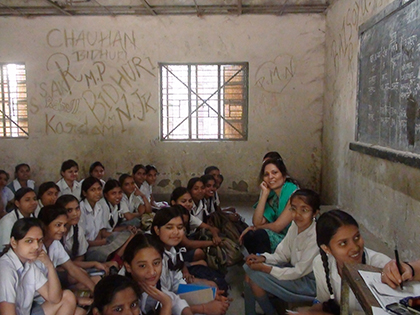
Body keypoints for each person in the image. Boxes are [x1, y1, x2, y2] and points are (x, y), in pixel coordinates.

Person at [296, 210, 391, 315]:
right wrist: (310, 312)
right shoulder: (321, 264)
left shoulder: (382, 266)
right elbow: (324, 303)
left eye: (357, 237)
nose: (355, 248)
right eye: (343, 243)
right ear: (326, 249)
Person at [243, 189, 320, 315]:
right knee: (249, 269)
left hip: (308, 284)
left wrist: (265, 269)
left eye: (304, 210)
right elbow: (282, 254)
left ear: (315, 213)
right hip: (294, 272)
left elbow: (298, 271)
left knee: (254, 275)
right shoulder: (295, 226)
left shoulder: (316, 236)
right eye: (294, 209)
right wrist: (263, 258)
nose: (297, 215)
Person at [0, 218, 77, 315]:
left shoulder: (29, 264)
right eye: (29, 241)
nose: (36, 246)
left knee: (68, 297)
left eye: (40, 241)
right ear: (14, 242)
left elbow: (54, 298)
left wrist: (49, 265)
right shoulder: (6, 268)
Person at [239, 157, 298, 254]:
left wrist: (255, 228)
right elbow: (257, 222)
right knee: (249, 235)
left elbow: (277, 226)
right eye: (266, 174)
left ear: (284, 175)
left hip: (295, 240)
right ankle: (259, 261)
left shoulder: (293, 194)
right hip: (282, 236)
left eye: (275, 173)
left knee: (260, 234)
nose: (270, 177)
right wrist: (264, 194)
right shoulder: (273, 197)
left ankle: (264, 263)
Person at [122, 233, 191, 315]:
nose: (152, 272)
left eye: (156, 263)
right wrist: (166, 305)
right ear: (128, 267)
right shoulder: (121, 295)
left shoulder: (148, 283)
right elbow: (167, 300)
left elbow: (174, 300)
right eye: (143, 266)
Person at [37, 205, 97, 292]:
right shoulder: (35, 249)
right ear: (44, 226)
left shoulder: (55, 243)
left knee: (92, 280)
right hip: (40, 297)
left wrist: (94, 289)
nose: (63, 230)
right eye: (58, 225)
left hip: (51, 290)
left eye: (64, 225)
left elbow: (72, 268)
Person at [55, 195, 117, 274]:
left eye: (77, 209)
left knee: (111, 265)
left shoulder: (78, 230)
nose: (75, 214)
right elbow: (59, 264)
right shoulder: (55, 233)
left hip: (72, 266)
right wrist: (93, 264)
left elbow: (80, 257)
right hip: (58, 270)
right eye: (69, 210)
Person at [79, 177, 135, 263]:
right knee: (107, 250)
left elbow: (100, 232)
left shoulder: (98, 207)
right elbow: (82, 242)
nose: (97, 193)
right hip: (87, 250)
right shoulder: (80, 210)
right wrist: (103, 242)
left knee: (129, 235)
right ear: (84, 193)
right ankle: (115, 259)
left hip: (98, 243)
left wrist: (104, 241)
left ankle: (114, 257)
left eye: (99, 189)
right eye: (92, 190)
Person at [170, 187, 221, 262]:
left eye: (190, 201)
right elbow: (187, 243)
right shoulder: (171, 217)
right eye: (183, 201)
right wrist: (212, 243)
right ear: (173, 202)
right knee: (199, 253)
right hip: (173, 253)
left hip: (183, 246)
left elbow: (209, 227)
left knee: (214, 231)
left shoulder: (188, 215)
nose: (188, 204)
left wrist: (215, 236)